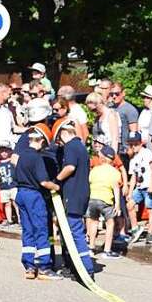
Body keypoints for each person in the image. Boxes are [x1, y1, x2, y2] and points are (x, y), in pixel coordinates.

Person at [15, 123, 61, 279]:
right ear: (41, 141)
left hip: (21, 194)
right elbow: (43, 182)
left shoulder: (22, 157)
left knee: (28, 231)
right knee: (41, 230)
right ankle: (44, 267)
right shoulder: (37, 158)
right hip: (34, 196)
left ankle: (29, 266)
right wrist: (56, 186)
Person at [54, 118, 95, 279]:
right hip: (82, 193)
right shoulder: (81, 147)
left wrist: (56, 180)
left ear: (64, 134)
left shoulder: (71, 146)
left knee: (75, 231)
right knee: (72, 231)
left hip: (73, 195)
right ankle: (75, 266)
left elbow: (70, 167)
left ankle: (86, 269)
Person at [87, 146, 123, 257]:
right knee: (110, 223)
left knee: (93, 222)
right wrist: (117, 204)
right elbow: (116, 188)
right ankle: (107, 250)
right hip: (106, 201)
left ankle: (91, 247)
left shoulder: (95, 170)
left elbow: (90, 182)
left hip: (92, 199)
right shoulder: (115, 172)